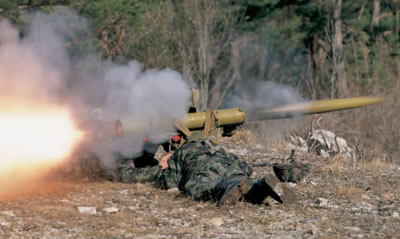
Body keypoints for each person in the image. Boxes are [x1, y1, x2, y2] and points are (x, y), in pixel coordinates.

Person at [117, 132, 283, 205]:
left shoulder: (181, 153)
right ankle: (259, 186)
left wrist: (163, 168)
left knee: (209, 189)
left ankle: (231, 187)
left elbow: (170, 182)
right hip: (230, 166)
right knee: (242, 180)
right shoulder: (219, 150)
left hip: (204, 173)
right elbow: (246, 168)